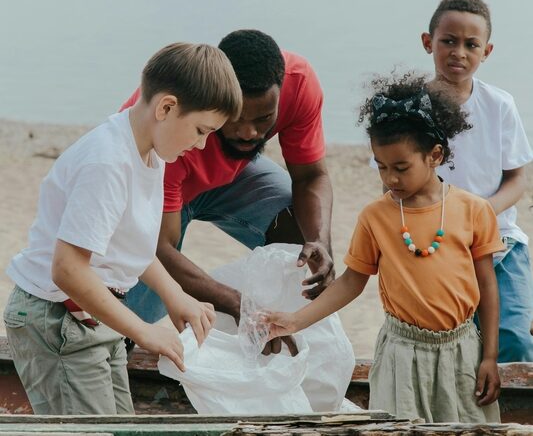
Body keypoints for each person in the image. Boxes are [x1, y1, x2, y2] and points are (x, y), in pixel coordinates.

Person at [3, 43, 242, 415]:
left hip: (96, 313)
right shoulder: (108, 162)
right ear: (166, 107)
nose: (201, 144)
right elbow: (67, 268)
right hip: (57, 317)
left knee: (120, 424)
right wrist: (143, 331)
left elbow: (129, 244)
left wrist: (174, 293)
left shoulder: (151, 152)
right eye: (200, 130)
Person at [265, 74, 503, 423]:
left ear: (435, 155)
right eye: (381, 166)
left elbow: (487, 287)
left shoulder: (474, 210)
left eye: (401, 168)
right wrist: (294, 321)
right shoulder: (376, 217)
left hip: (463, 351)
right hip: (400, 355)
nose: (390, 178)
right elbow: (350, 282)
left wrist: (490, 356)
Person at [121, 30, 334, 354]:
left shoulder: (299, 82)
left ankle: (279, 334)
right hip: (161, 178)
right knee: (124, 321)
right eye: (235, 119)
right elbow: (159, 249)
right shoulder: (171, 131)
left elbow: (310, 177)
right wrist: (235, 303)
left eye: (264, 119)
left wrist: (320, 241)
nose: (249, 132)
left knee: (299, 229)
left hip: (228, 176)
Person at [422, 0, 533, 362]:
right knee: (452, 345)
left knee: (515, 340)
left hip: (501, 242)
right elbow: (394, 180)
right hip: (437, 244)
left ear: (486, 51)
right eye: (448, 41)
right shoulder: (411, 109)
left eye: (471, 45)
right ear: (428, 42)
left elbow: (517, 177)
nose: (459, 52)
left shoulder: (499, 104)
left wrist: (481, 211)